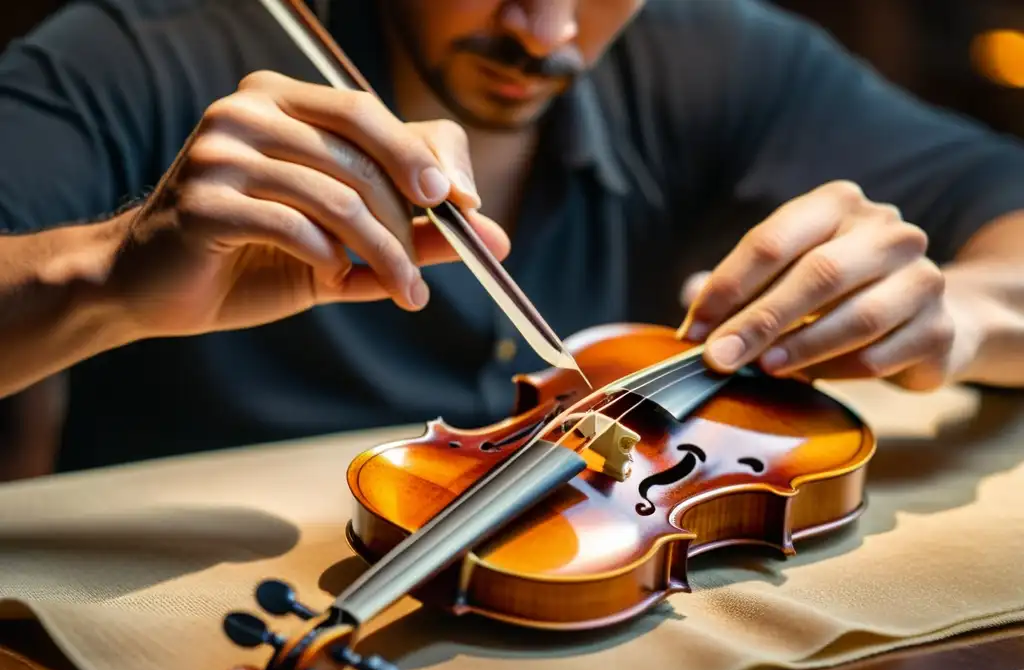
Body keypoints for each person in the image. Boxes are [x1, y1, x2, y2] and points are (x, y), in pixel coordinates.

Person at [2, 0, 1024, 473]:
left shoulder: (716, 53)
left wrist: (961, 317)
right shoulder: (130, 53)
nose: (545, 30)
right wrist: (105, 278)